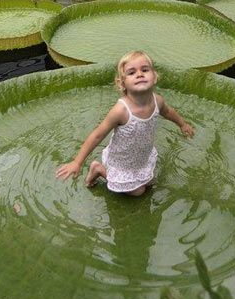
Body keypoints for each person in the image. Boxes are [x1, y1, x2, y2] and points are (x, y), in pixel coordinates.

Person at [55, 51, 195, 196]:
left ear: (155, 77)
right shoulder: (121, 111)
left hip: (141, 155)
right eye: (132, 72)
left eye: (145, 70)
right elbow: (97, 135)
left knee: (150, 181)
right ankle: (98, 169)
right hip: (122, 160)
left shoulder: (157, 100)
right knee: (138, 192)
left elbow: (168, 112)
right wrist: (77, 162)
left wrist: (182, 124)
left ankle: (136, 177)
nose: (140, 74)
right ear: (122, 83)